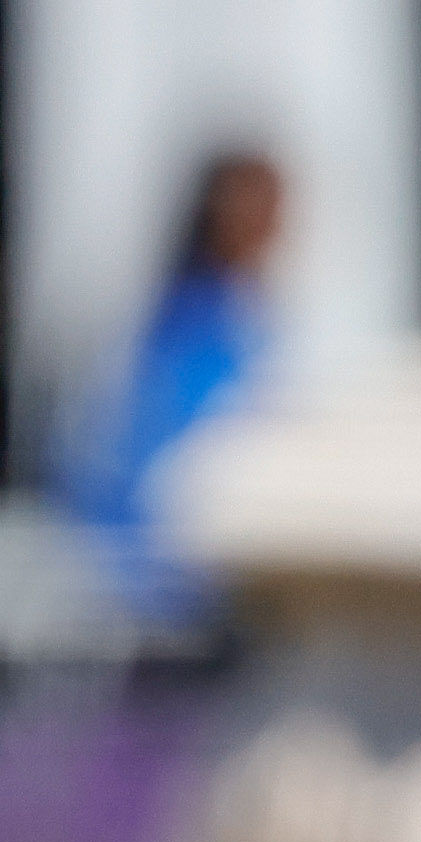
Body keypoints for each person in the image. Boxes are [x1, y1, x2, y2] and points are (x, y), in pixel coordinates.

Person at [63, 145, 286, 620]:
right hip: (164, 588)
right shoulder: (188, 325)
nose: (277, 225)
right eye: (263, 207)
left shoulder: (237, 316)